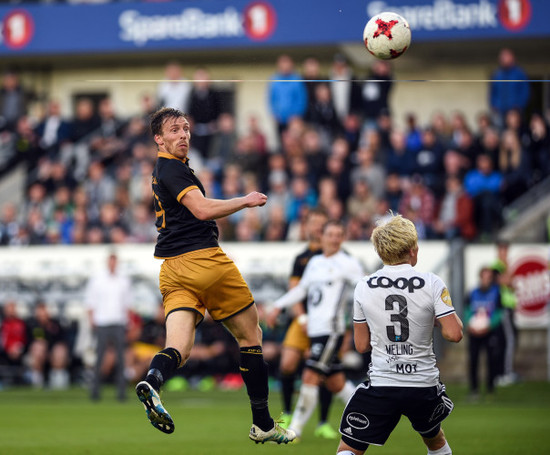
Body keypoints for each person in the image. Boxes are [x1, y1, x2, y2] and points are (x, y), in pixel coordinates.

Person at [135, 107, 295, 444]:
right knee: (251, 336)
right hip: (205, 262)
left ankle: (152, 380)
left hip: (171, 270)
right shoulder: (172, 169)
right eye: (175, 130)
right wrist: (245, 201)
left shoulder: (166, 170)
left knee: (178, 346)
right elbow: (203, 209)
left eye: (187, 129)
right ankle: (263, 423)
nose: (183, 135)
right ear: (159, 139)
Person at [335, 213, 463, 455]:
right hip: (423, 385)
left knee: (349, 448)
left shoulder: (364, 285)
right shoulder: (431, 282)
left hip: (384, 383)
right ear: (413, 249)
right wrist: (434, 319)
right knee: (435, 440)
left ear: (380, 252)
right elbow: (454, 334)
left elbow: (361, 345)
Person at [267, 220, 364, 440]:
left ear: (343, 238)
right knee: (335, 381)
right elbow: (301, 289)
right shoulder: (315, 262)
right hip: (314, 330)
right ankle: (372, 412)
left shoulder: (348, 263)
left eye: (339, 234)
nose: (334, 238)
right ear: (322, 237)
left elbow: (364, 287)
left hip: (331, 331)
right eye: (330, 234)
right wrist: (278, 306)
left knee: (310, 375)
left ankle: (295, 431)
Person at [268, 208, 338, 438]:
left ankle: (323, 423)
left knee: (326, 373)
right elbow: (296, 290)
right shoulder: (302, 259)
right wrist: (302, 317)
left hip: (328, 323)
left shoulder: (339, 258)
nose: (318, 228)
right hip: (304, 319)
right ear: (307, 227)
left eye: (321, 223)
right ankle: (288, 412)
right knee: (287, 363)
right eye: (314, 223)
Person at [85, 252, 132, 401]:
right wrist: (92, 319)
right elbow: (90, 302)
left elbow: (128, 303)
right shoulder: (97, 279)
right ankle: (95, 391)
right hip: (103, 322)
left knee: (121, 358)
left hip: (118, 322)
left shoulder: (123, 280)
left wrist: (127, 321)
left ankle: (121, 392)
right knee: (99, 358)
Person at [465, 266, 503, 399]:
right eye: (484, 276)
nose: (487, 279)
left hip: (489, 332)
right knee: (473, 361)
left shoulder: (496, 293)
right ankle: (474, 390)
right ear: (480, 277)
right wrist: (470, 325)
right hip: (474, 333)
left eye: (489, 277)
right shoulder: (472, 292)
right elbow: (468, 310)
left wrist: (489, 326)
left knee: (491, 360)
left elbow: (498, 312)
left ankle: (490, 389)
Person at [26, 301, 70, 389]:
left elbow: (62, 341)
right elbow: (28, 343)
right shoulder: (32, 324)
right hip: (37, 355)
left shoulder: (56, 324)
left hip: (53, 353)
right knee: (38, 347)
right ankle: (37, 380)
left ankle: (58, 379)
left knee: (59, 351)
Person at [489, 48, 530, 130]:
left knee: (516, 133)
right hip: (500, 112)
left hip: (515, 111)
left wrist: (518, 106)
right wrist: (494, 106)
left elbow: (525, 92)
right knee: (501, 134)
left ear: (512, 58)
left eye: (506, 56)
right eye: (502, 57)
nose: (503, 59)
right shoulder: (497, 75)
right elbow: (492, 93)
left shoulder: (519, 73)